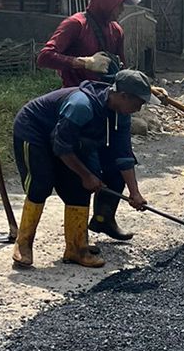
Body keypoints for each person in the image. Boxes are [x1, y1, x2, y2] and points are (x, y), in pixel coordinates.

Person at [10, 69, 151, 271]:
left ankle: (76, 249)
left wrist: (135, 193)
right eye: (138, 103)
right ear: (123, 96)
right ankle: (23, 244)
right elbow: (60, 146)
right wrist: (86, 175)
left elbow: (123, 154)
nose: (139, 108)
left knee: (78, 188)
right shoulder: (81, 105)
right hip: (34, 131)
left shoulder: (121, 115)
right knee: (41, 183)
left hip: (66, 139)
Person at [37, 0, 142, 238]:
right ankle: (76, 239)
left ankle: (104, 219)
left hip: (111, 104)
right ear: (106, 2)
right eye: (120, 4)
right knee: (87, 170)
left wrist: (143, 88)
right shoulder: (76, 25)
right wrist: (81, 62)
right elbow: (44, 57)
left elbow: (121, 69)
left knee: (117, 163)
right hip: (81, 106)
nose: (122, 10)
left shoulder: (116, 30)